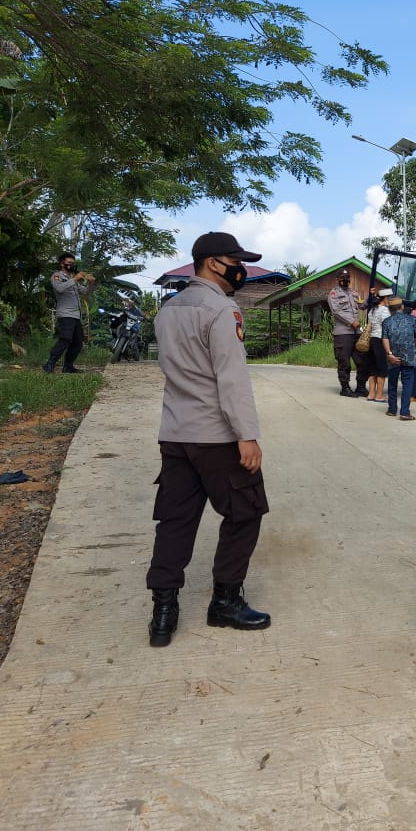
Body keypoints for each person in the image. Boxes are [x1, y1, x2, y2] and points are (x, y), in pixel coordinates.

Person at [145, 231, 272, 648]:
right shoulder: (221, 309)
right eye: (236, 261)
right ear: (214, 263)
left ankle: (163, 613)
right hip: (216, 437)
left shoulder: (169, 308)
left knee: (175, 520)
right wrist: (247, 436)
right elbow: (231, 379)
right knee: (245, 511)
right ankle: (226, 601)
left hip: (175, 434)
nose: (243, 269)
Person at [43, 252, 96, 373]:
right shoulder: (57, 276)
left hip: (76, 316)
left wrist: (92, 283)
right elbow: (59, 288)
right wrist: (75, 278)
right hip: (65, 314)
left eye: (73, 263)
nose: (72, 265)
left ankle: (68, 366)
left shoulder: (74, 281)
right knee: (65, 339)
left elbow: (86, 292)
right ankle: (49, 364)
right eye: (69, 263)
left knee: (78, 342)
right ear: (62, 263)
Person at [381, 297, 416, 421]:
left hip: (393, 357)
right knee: (408, 383)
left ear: (389, 309)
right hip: (409, 355)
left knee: (392, 382)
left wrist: (389, 354)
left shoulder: (387, 322)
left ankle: (392, 409)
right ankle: (404, 412)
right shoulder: (412, 320)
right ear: (402, 307)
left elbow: (385, 338)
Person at [328, 269, 365, 397]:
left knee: (362, 360)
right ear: (337, 279)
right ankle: (345, 388)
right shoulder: (334, 293)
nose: (345, 279)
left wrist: (371, 298)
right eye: (342, 277)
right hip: (343, 333)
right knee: (344, 362)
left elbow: (361, 306)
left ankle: (361, 387)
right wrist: (351, 321)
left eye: (347, 277)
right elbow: (336, 311)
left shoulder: (354, 292)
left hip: (357, 333)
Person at [366, 288, 393, 402]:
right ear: (385, 298)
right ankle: (379, 395)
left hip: (371, 340)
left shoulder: (372, 310)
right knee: (382, 368)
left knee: (372, 367)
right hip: (380, 340)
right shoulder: (385, 311)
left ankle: (371, 394)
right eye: (389, 298)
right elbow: (387, 328)